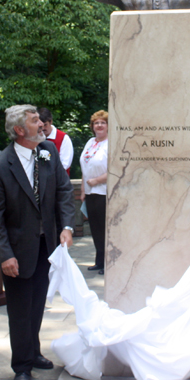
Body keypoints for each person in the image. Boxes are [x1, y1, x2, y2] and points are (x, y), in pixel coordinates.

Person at [0, 105, 75, 380]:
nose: (43, 125)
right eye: (35, 121)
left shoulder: (48, 152)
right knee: (20, 310)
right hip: (17, 252)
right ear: (20, 130)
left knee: (36, 305)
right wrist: (5, 255)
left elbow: (63, 189)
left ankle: (33, 352)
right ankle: (21, 366)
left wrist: (67, 226)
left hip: (46, 246)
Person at [80, 110, 108, 275]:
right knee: (95, 228)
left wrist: (97, 180)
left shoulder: (111, 143)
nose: (99, 125)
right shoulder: (90, 142)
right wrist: (83, 189)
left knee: (105, 229)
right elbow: (85, 166)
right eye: (96, 123)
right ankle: (99, 261)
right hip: (90, 193)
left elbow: (114, 169)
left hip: (103, 191)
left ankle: (107, 262)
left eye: (102, 122)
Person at [38, 108, 74, 176]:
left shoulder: (63, 138)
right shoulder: (34, 137)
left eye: (45, 125)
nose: (42, 128)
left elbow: (65, 164)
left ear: (51, 122)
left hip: (58, 179)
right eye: (40, 126)